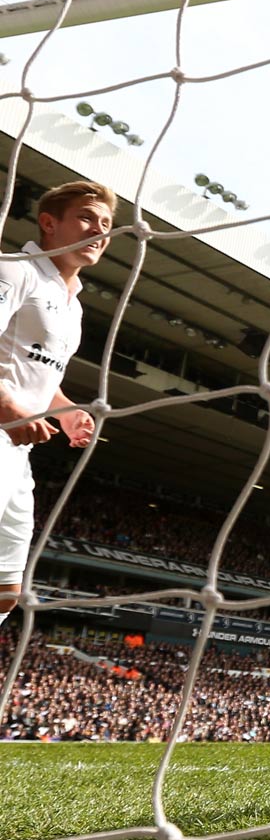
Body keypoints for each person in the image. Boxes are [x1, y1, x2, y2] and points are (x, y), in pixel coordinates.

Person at [0, 181, 110, 631]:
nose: (99, 230)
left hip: (18, 453)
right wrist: (7, 406)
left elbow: (43, 376)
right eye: (87, 217)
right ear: (49, 222)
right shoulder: (14, 270)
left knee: (8, 586)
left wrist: (64, 410)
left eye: (106, 224)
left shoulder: (74, 305)